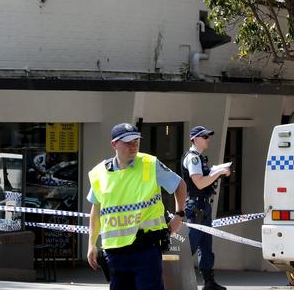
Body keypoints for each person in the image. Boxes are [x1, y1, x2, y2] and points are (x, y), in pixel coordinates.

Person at [87, 122, 187, 290]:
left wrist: (179, 215)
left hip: (145, 249)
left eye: (136, 141)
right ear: (114, 144)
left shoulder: (150, 164)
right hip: (115, 253)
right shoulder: (99, 174)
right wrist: (91, 244)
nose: (133, 145)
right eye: (127, 142)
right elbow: (95, 212)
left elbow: (180, 184)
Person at [182, 125, 230, 290]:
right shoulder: (193, 158)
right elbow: (199, 183)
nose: (207, 139)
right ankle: (177, 279)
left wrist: (215, 171)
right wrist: (218, 173)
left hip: (202, 205)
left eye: (208, 136)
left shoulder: (200, 157)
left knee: (206, 246)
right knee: (190, 246)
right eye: (204, 137)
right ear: (195, 139)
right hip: (196, 206)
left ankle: (209, 282)